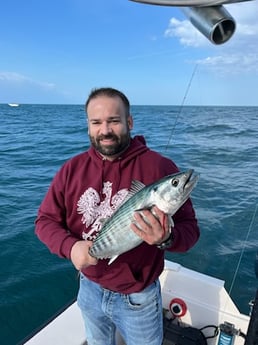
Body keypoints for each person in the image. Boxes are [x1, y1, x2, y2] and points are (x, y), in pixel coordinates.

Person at [35, 87, 200, 345]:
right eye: (96, 122)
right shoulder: (71, 169)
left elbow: (190, 231)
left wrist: (166, 237)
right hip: (89, 289)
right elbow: (44, 221)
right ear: (88, 126)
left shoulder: (160, 167)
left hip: (139, 297)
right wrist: (71, 247)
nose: (105, 130)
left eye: (113, 121)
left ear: (129, 122)